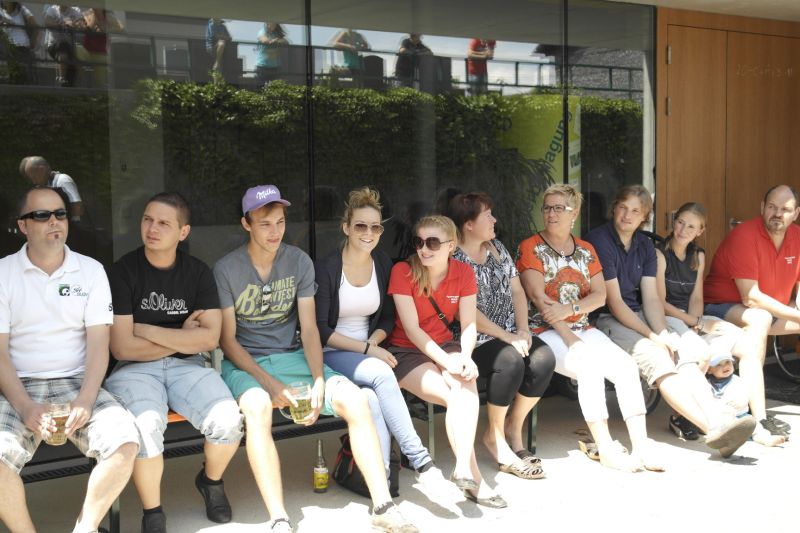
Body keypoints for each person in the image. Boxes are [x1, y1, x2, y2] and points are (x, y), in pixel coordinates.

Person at [214, 185, 417, 533]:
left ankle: (382, 504)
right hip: (246, 362)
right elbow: (227, 341)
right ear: (246, 224)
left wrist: (319, 377)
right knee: (258, 409)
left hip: (292, 356)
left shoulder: (298, 262)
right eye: (265, 224)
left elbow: (310, 329)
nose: (275, 231)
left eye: (280, 222)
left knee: (356, 400)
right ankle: (279, 517)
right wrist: (269, 383)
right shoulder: (227, 268)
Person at [0, 186, 139, 533]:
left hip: (77, 381)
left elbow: (99, 345)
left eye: (60, 213)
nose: (54, 221)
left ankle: (85, 528)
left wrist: (86, 400)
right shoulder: (3, 273)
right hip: (19, 384)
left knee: (125, 442)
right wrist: (25, 406)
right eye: (42, 215)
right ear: (23, 225)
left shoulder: (91, 271)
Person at [104, 192, 244, 533]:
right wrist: (181, 335)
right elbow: (122, 348)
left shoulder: (198, 273)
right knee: (147, 424)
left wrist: (145, 329)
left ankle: (210, 481)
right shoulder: (122, 272)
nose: (152, 228)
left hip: (189, 366)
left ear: (183, 232)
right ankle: (153, 512)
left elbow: (209, 339)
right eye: (147, 220)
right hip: (134, 371)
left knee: (229, 421)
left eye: (164, 223)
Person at [585, 184, 756, 458]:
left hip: (639, 312)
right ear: (614, 208)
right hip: (607, 317)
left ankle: (717, 418)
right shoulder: (600, 240)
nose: (627, 215)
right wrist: (653, 336)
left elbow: (651, 297)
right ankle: (714, 430)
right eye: (623, 208)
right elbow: (615, 303)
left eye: (636, 211)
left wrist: (663, 333)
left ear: (645, 217)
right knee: (659, 358)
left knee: (682, 352)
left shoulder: (644, 245)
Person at [314, 187, 456, 498]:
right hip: (332, 352)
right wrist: (368, 351)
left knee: (372, 400)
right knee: (381, 373)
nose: (368, 233)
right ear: (346, 228)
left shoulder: (381, 263)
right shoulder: (327, 267)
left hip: (368, 350)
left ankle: (381, 481)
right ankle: (421, 462)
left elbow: (388, 319)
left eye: (375, 227)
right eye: (360, 226)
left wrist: (373, 343)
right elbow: (321, 330)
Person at [517, 184, 662, 471]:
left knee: (626, 366)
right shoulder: (531, 246)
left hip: (582, 327)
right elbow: (539, 298)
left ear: (574, 213)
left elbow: (600, 296)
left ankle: (642, 447)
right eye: (547, 208)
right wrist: (570, 337)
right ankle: (605, 447)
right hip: (544, 331)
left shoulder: (586, 249)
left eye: (559, 208)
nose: (551, 213)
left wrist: (572, 310)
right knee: (589, 368)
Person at [388, 215, 506, 508]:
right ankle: (474, 477)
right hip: (406, 350)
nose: (423, 249)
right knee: (454, 395)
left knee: (466, 385)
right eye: (419, 242)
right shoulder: (403, 271)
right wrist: (447, 362)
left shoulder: (463, 272)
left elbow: (468, 324)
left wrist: (464, 357)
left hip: (445, 344)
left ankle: (463, 468)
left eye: (432, 242)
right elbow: (412, 330)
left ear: (451, 245)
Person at [655, 202, 784, 446]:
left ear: (700, 231)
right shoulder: (660, 254)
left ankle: (758, 420)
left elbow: (697, 297)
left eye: (691, 226)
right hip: (668, 317)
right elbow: (659, 302)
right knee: (700, 353)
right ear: (674, 222)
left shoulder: (698, 255)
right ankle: (685, 417)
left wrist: (698, 323)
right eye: (680, 222)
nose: (683, 230)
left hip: (692, 317)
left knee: (747, 345)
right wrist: (694, 322)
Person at [448, 192, 555, 478]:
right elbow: (464, 312)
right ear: (469, 224)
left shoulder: (496, 248)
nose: (494, 220)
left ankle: (513, 428)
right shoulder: (453, 257)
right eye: (487, 215)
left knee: (543, 358)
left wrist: (522, 329)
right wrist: (507, 337)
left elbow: (517, 291)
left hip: (510, 332)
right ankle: (494, 437)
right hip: (475, 337)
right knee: (510, 360)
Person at [704, 184, 799, 439]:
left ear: (796, 213)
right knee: (760, 318)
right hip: (721, 307)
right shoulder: (744, 235)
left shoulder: (798, 237)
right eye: (772, 207)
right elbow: (751, 297)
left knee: (764, 317)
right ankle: (758, 418)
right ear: (762, 207)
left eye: (785, 209)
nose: (777, 214)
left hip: (770, 309)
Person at [19, 156, 84, 222]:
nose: (34, 182)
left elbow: (78, 209)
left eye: (34, 177)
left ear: (42, 170)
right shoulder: (45, 185)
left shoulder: (63, 180)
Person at [79, 8, 123, 87]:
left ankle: (100, 87)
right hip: (86, 50)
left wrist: (107, 30)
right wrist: (93, 21)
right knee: (78, 52)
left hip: (100, 52)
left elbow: (121, 28)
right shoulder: (87, 14)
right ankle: (78, 82)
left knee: (100, 80)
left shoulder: (109, 16)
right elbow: (86, 27)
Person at [44, 4, 84, 87]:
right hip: (54, 45)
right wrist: (63, 24)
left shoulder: (76, 10)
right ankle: (61, 79)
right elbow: (47, 22)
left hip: (71, 47)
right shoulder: (52, 9)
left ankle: (71, 83)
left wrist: (74, 24)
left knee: (75, 61)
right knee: (63, 45)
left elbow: (81, 24)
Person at [0, 2, 37, 84]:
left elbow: (35, 26)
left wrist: (33, 42)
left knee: (21, 73)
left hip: (22, 45)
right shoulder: (0, 11)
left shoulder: (22, 9)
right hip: (7, 46)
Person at [706, 353, 749, 419]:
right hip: (720, 417)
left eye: (727, 362)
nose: (725, 366)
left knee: (746, 419)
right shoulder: (707, 384)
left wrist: (741, 402)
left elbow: (745, 395)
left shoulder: (736, 380)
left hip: (739, 414)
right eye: (718, 365)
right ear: (709, 370)